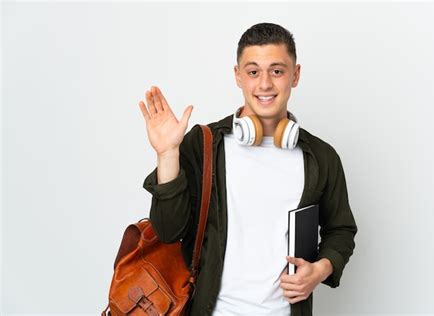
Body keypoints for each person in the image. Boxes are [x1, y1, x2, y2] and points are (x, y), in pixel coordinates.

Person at [139, 22, 358, 316]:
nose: (265, 84)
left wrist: (319, 270)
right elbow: (168, 231)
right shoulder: (204, 146)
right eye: (253, 72)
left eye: (277, 71)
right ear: (238, 76)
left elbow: (341, 230)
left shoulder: (320, 157)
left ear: (295, 75)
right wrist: (167, 154)